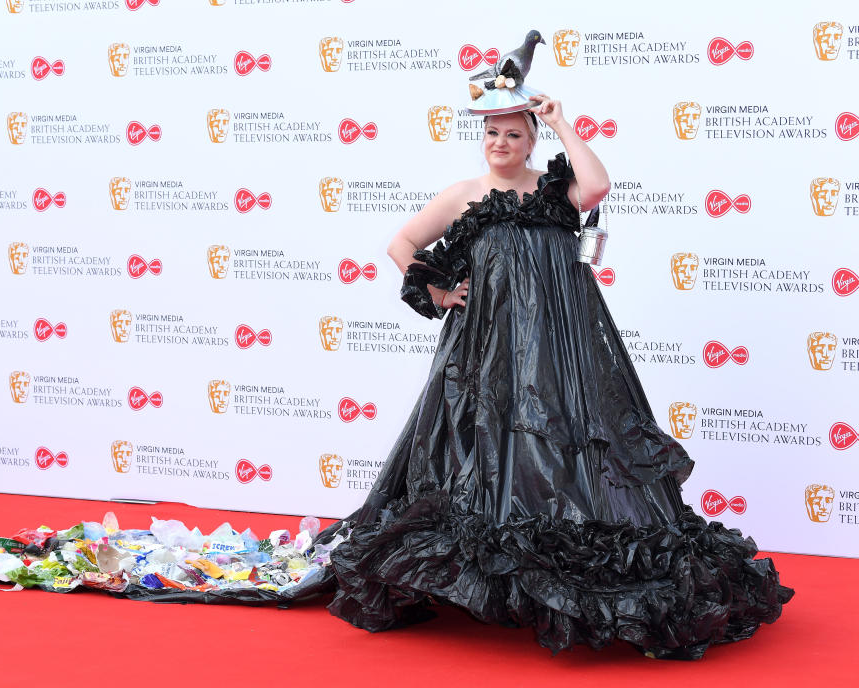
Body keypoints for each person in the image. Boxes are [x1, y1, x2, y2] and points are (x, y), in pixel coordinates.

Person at [322, 94, 794, 660]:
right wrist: (441, 293)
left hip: (564, 342)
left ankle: (568, 563)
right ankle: (494, 572)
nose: (501, 143)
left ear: (531, 142)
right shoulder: (461, 195)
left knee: (577, 434)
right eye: (493, 134)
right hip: (488, 347)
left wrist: (560, 121)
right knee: (487, 441)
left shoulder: (555, 188)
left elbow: (596, 188)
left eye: (514, 135)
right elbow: (401, 245)